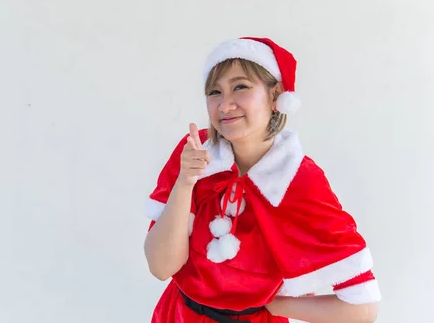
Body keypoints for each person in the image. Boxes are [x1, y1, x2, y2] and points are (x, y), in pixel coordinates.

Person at [143, 37, 381, 323]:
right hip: (178, 315)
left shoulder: (299, 179)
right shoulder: (196, 153)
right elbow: (161, 267)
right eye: (214, 91)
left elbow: (362, 309)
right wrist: (185, 182)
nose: (225, 104)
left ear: (275, 95)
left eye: (240, 87)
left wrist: (271, 305)